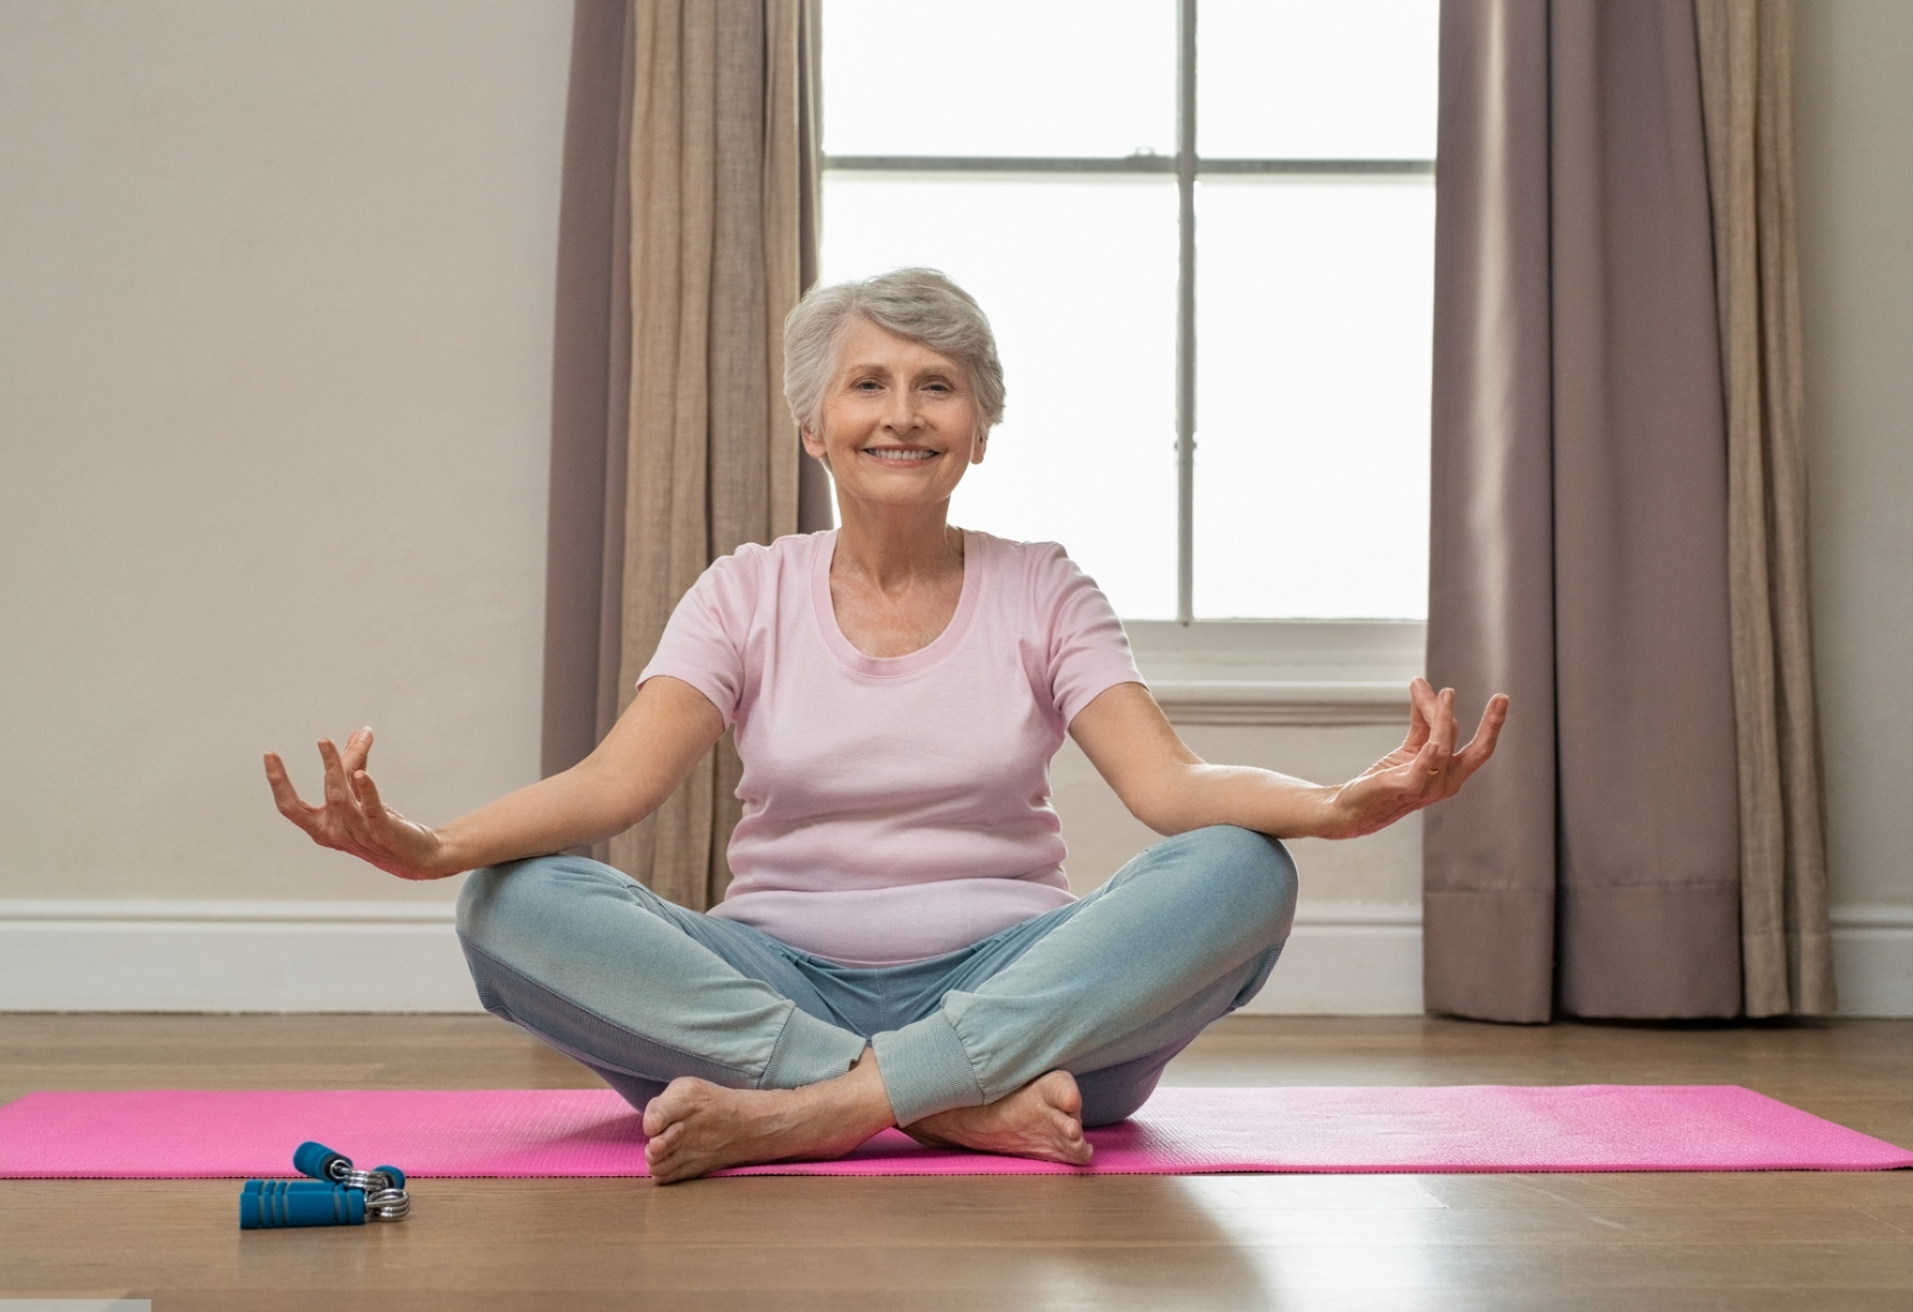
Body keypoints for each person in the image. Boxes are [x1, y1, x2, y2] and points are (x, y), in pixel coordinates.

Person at [265, 268, 1507, 1184]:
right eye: (869, 384)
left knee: (1238, 868)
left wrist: (1341, 805)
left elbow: (1170, 786)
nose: (901, 412)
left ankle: (816, 1112)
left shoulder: (1044, 585)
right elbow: (612, 784)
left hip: (1022, 993)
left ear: (978, 428)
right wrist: (434, 850)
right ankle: (936, 1103)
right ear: (817, 427)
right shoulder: (747, 588)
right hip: (770, 990)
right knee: (510, 903)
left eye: (937, 386)